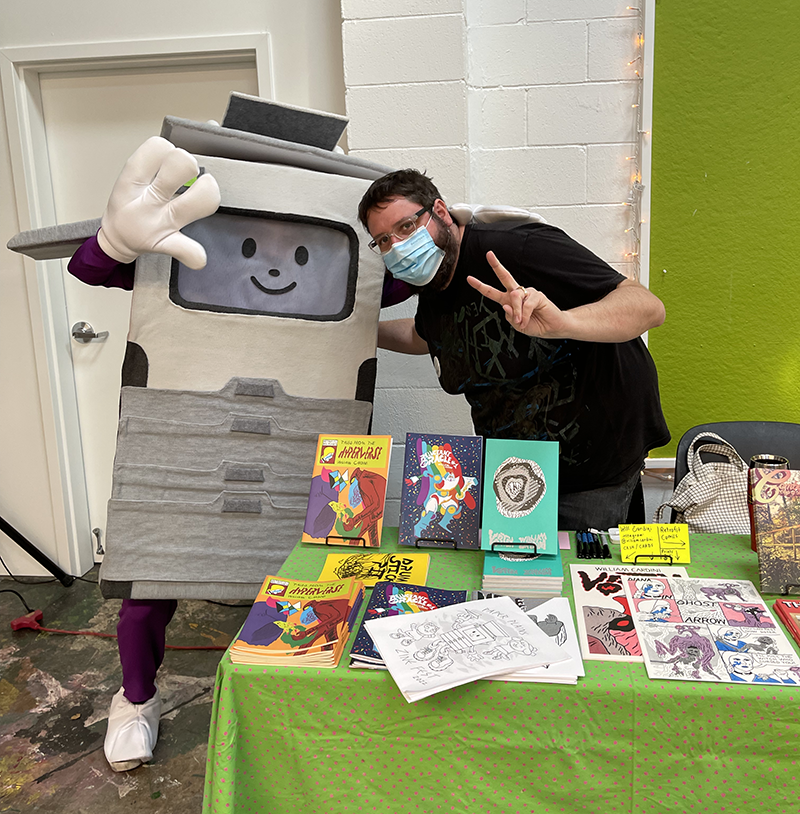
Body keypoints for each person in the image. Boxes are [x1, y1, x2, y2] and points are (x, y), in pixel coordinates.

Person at [358, 169, 670, 530]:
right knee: (514, 576)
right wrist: (358, 332)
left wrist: (563, 324)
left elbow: (648, 307)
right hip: (513, 466)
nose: (397, 246)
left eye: (407, 227)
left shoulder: (515, 247)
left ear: (440, 212)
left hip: (592, 462)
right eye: (383, 240)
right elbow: (425, 335)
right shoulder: (431, 279)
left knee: (574, 579)